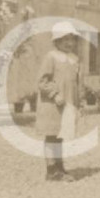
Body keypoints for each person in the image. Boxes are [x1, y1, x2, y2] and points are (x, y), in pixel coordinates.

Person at [36, 21, 83, 182]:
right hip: (52, 104)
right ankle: (51, 170)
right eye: (65, 40)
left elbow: (76, 83)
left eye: (72, 39)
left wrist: (78, 102)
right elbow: (42, 81)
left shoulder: (74, 59)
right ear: (56, 41)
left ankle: (60, 166)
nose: (69, 43)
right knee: (51, 135)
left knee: (61, 136)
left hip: (67, 104)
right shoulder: (51, 57)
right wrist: (54, 94)